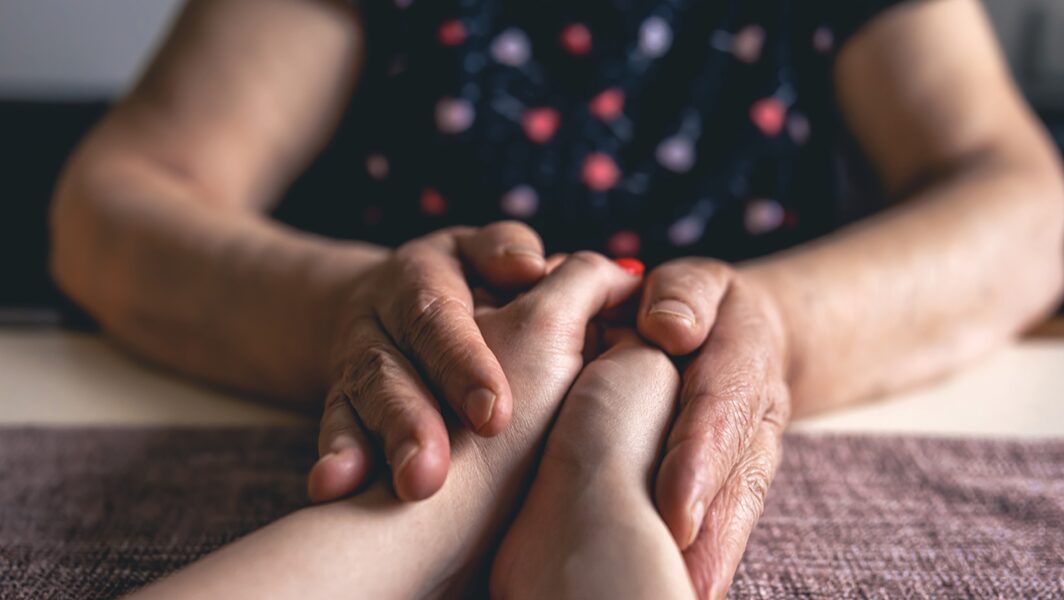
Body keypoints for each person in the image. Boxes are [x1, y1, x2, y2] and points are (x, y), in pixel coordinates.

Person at [50, 0, 1063, 594]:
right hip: (413, 401)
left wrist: (778, 326)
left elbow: (1022, 204)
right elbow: (116, 199)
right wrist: (350, 310)